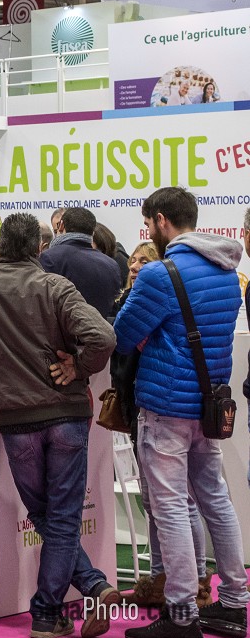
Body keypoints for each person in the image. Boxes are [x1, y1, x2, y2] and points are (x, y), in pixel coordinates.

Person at [0, 213, 120, 638]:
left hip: (14, 417)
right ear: (39, 248)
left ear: (1, 245)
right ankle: (77, 594)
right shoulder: (55, 286)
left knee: (46, 514)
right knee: (59, 515)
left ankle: (59, 605)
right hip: (64, 412)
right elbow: (102, 337)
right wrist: (77, 366)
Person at [114, 187, 247, 638]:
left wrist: (150, 339)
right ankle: (233, 601)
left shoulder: (159, 274)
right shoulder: (228, 272)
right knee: (215, 499)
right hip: (208, 405)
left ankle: (183, 615)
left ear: (163, 221)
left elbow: (124, 335)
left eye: (149, 221)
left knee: (169, 507)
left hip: (165, 405)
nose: (148, 229)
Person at [112, 243, 211, 612]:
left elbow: (128, 345)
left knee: (176, 503)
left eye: (144, 261)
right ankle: (165, 577)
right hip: (146, 407)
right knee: (159, 502)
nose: (135, 267)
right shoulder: (128, 301)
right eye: (133, 261)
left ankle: (192, 584)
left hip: (160, 407)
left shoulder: (155, 303)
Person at [39, 206, 123, 318]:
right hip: (99, 331)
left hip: (63, 332)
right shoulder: (111, 265)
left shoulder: (50, 257)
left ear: (61, 225)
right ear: (92, 232)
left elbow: (42, 304)